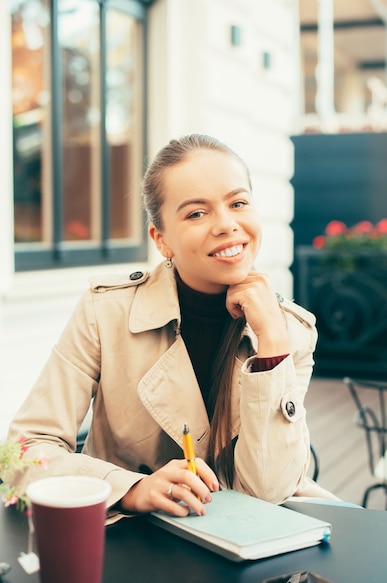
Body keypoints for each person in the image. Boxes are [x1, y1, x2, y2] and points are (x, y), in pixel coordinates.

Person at [8, 134, 339, 521]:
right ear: (161, 239)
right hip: (137, 542)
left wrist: (273, 342)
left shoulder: (289, 331)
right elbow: (24, 452)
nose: (227, 225)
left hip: (257, 545)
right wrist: (131, 489)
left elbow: (268, 490)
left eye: (238, 203)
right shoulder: (107, 312)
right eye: (197, 213)